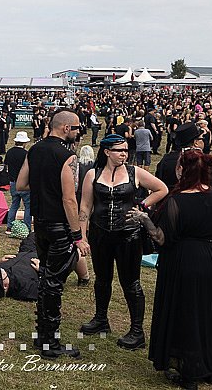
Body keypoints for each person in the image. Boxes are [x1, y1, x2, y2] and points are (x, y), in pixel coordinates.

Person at [130, 150, 212, 390]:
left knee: (184, 313)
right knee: (206, 312)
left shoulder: (177, 200)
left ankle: (188, 373)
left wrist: (144, 219)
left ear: (181, 170)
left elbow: (162, 238)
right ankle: (207, 367)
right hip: (210, 260)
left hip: (183, 260)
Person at [77, 134, 168, 350]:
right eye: (119, 150)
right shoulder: (93, 174)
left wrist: (142, 206)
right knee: (102, 279)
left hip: (128, 235)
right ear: (107, 152)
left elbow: (162, 189)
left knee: (131, 283)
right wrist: (81, 236)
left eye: (126, 150)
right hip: (100, 234)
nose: (124, 154)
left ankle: (137, 331)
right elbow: (85, 206)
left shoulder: (134, 172)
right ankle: (101, 319)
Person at [15, 109, 85, 359]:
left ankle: (42, 335)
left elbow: (21, 184)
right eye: (77, 128)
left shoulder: (34, 150)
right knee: (54, 283)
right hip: (59, 226)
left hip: (40, 224)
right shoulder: (67, 156)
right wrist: (78, 235)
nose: (79, 132)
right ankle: (50, 342)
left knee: (47, 278)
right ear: (66, 128)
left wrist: (43, 185)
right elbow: (69, 199)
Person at [0, 233, 41, 301]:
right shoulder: (25, 288)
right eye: (2, 273)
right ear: (5, 286)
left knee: (37, 234)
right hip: (42, 257)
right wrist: (42, 270)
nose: (2, 269)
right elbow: (46, 288)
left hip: (26, 251)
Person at [4, 131, 31, 235]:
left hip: (13, 182)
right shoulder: (26, 154)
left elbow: (6, 166)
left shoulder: (9, 152)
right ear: (24, 143)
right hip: (24, 183)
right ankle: (27, 227)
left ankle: (9, 227)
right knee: (28, 206)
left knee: (14, 205)